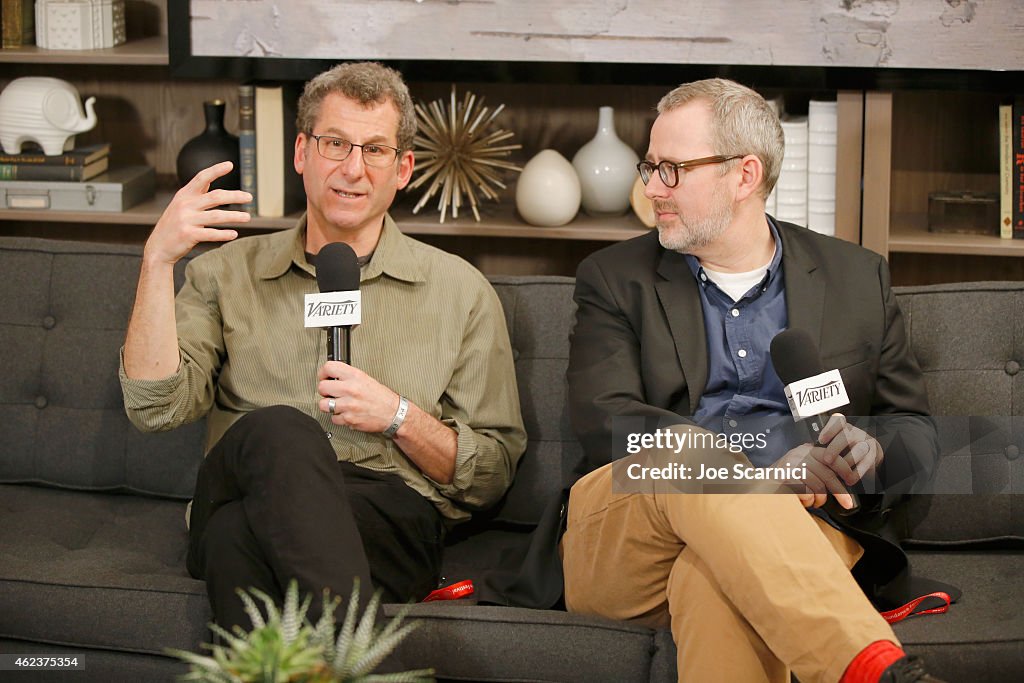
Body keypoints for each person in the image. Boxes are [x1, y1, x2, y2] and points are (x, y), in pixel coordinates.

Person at [562, 78, 947, 682]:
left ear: (744, 175)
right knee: (681, 452)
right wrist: (766, 473)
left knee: (717, 582)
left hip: (798, 529)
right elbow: (606, 425)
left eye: (672, 169)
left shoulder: (856, 277)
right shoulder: (613, 278)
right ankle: (873, 668)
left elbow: (915, 433)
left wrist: (869, 452)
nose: (651, 186)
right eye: (650, 166)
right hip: (632, 535)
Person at [119, 61, 526, 630]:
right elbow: (154, 406)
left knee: (238, 536)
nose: (353, 170)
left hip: (382, 514)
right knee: (280, 429)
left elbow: (491, 474)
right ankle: (357, 654)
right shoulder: (223, 274)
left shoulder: (461, 292)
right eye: (335, 143)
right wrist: (157, 262)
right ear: (301, 154)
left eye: (375, 150)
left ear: (404, 167)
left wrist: (399, 417)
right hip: (245, 478)